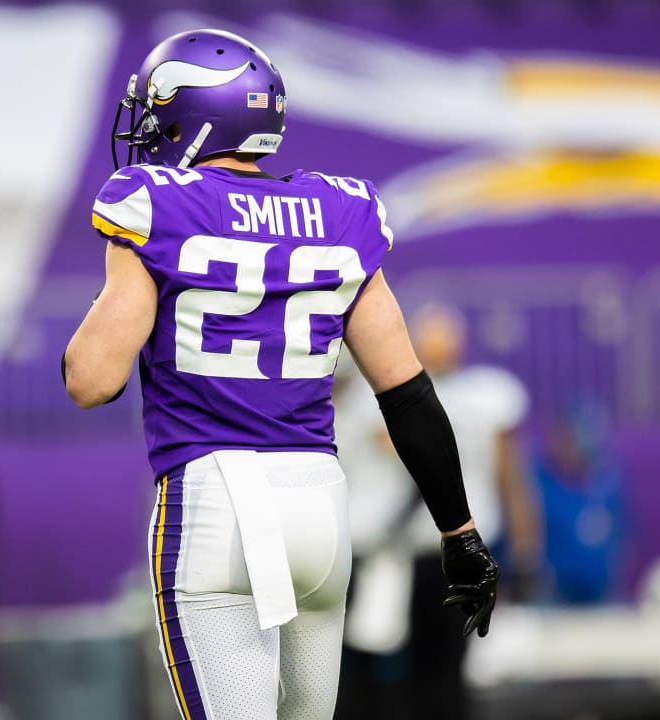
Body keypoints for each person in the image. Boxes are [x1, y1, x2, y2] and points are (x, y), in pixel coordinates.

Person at [63, 29, 500, 719]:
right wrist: (461, 533)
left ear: (190, 116)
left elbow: (90, 380)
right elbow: (408, 393)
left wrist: (125, 270)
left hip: (216, 504)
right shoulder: (340, 210)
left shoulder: (154, 203)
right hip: (323, 511)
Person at [334, 303, 541, 720]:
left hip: (445, 551)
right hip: (378, 551)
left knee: (444, 670)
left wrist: (525, 544)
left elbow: (508, 474)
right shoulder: (363, 396)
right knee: (360, 673)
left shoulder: (483, 396)